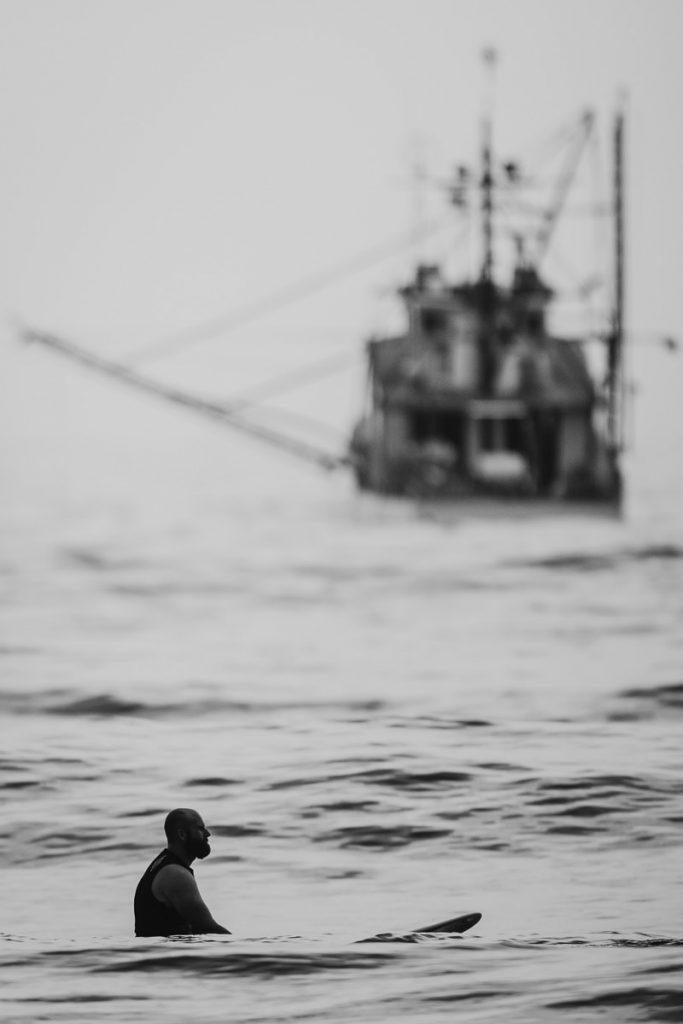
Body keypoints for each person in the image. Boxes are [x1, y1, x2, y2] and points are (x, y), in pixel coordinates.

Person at [134, 808, 230, 936]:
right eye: (200, 829)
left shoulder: (163, 864)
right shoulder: (175, 874)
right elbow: (206, 928)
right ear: (182, 835)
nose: (207, 834)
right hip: (163, 953)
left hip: (156, 952)